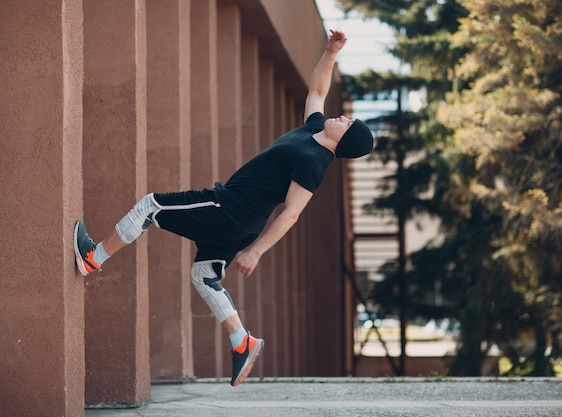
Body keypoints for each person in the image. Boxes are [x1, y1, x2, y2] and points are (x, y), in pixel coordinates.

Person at [74, 29, 373, 387]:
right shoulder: (312, 130)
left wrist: (257, 251)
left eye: (347, 122)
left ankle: (93, 258)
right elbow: (317, 91)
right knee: (204, 276)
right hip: (239, 219)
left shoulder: (315, 162)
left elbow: (292, 213)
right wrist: (331, 52)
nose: (340, 117)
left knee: (150, 206)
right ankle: (241, 340)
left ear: (345, 138)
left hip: (231, 208)